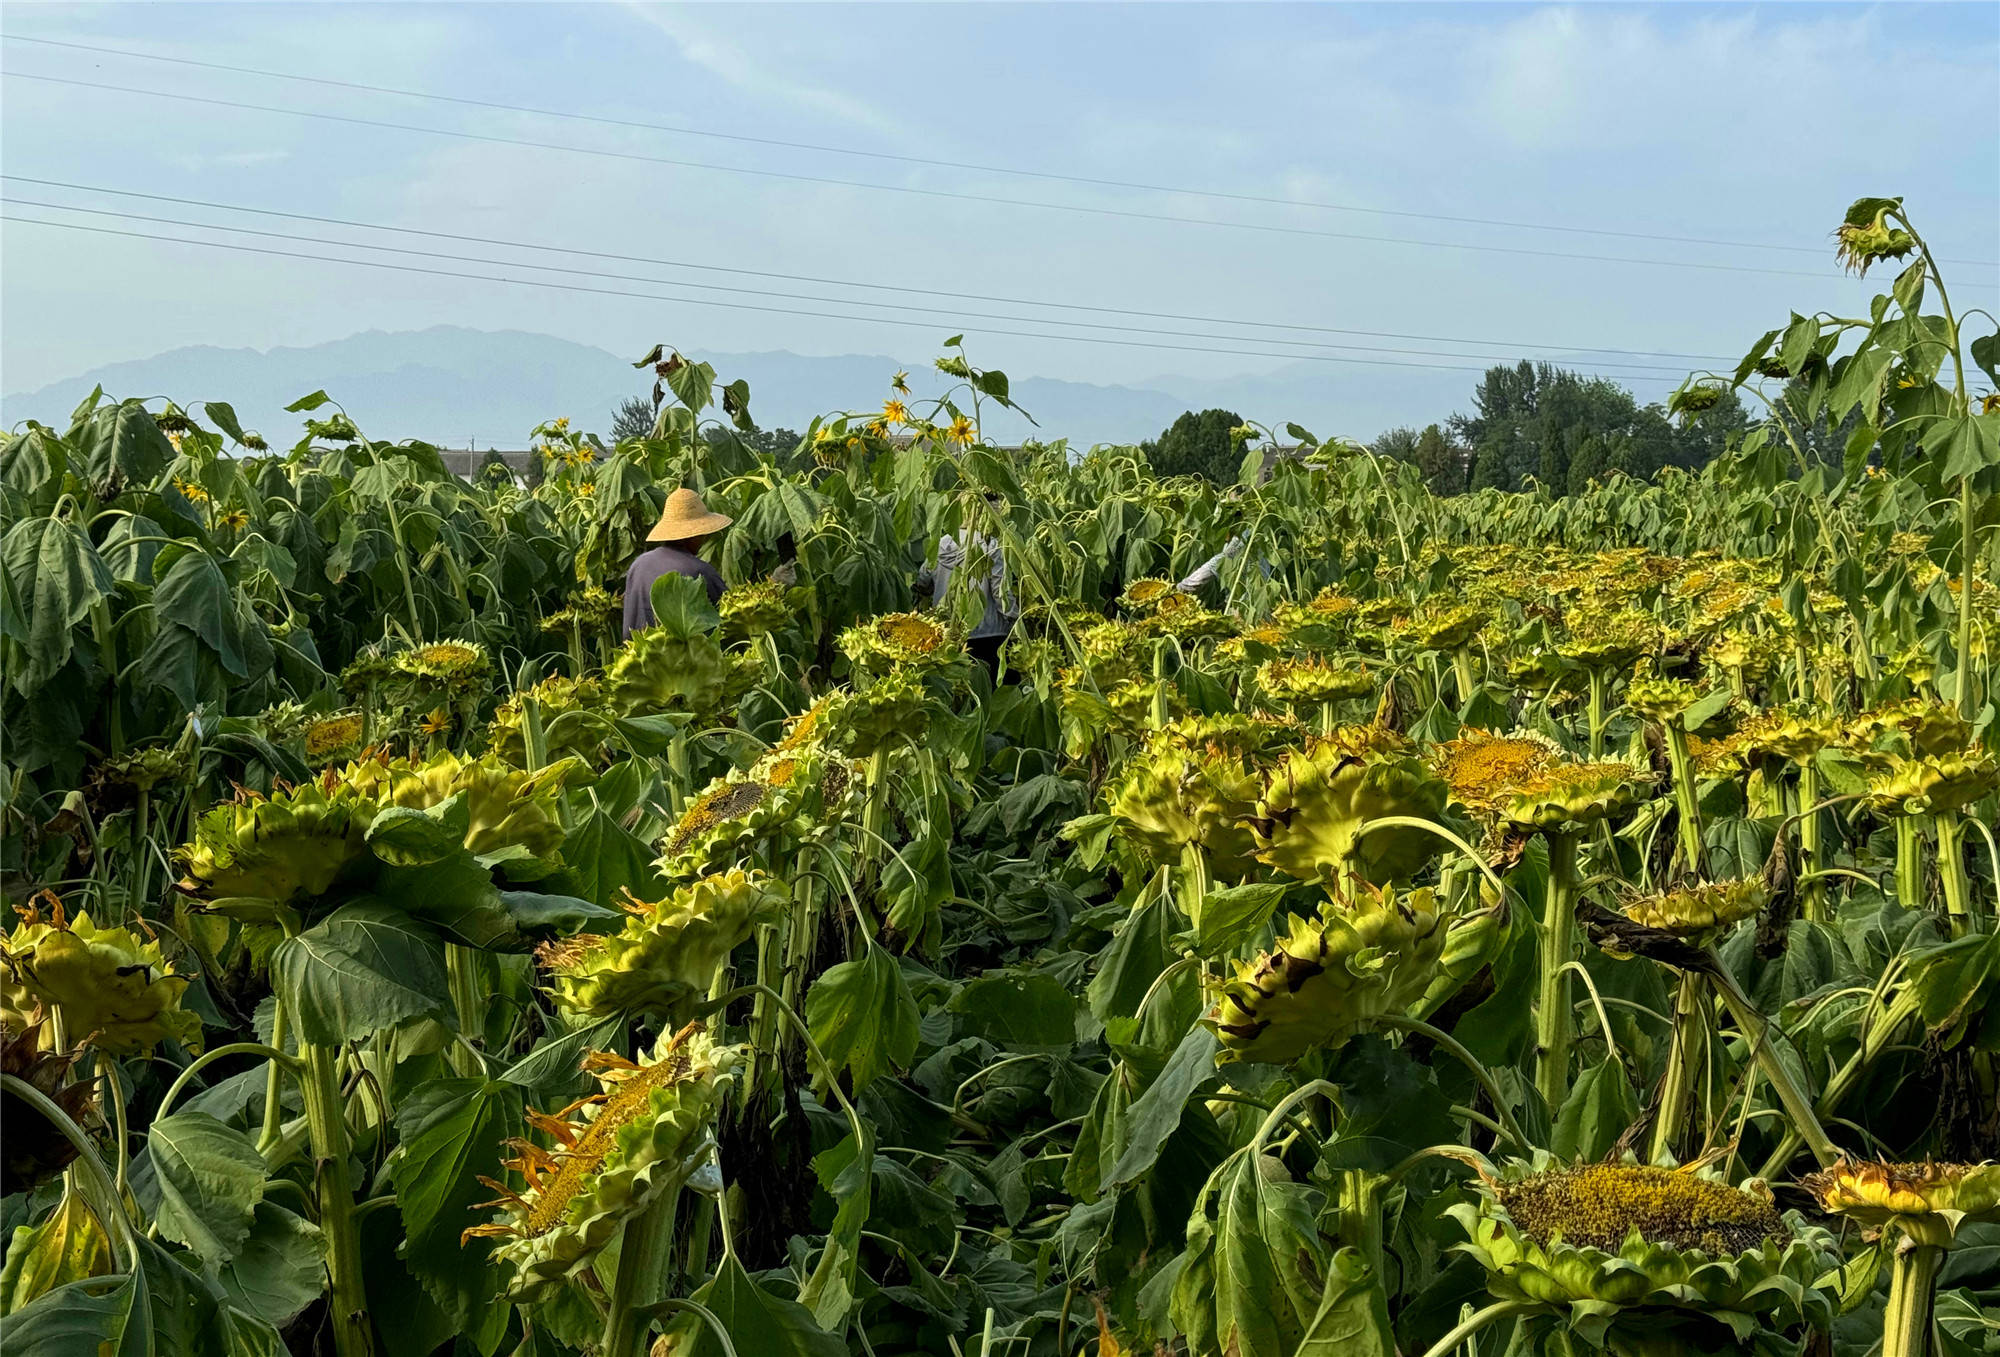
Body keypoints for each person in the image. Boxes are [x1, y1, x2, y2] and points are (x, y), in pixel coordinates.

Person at [623, 487, 731, 638]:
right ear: (693, 536)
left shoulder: (638, 564)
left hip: (636, 657)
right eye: (702, 535)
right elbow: (731, 614)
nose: (704, 539)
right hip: (679, 659)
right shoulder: (699, 572)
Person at [926, 509, 1014, 673]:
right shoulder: (990, 545)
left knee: (955, 686)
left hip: (945, 632)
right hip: (989, 632)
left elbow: (923, 580)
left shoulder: (940, 543)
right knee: (987, 688)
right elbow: (1000, 592)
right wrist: (1015, 617)